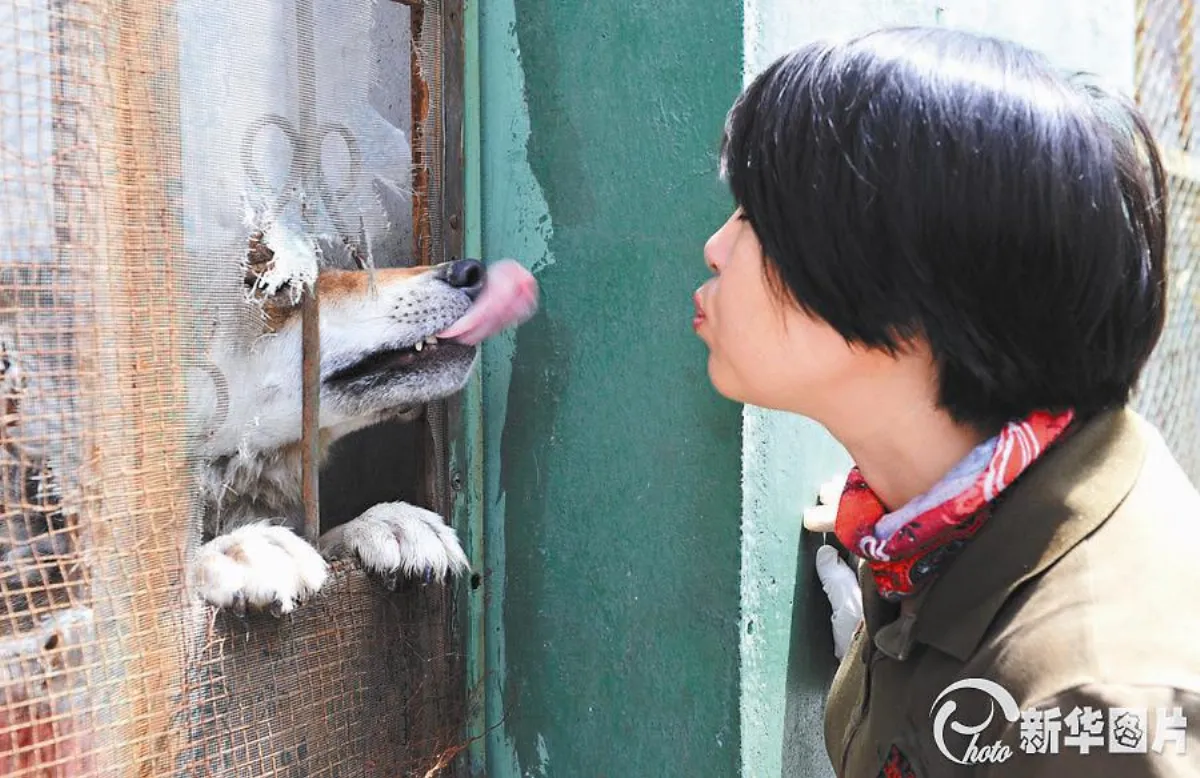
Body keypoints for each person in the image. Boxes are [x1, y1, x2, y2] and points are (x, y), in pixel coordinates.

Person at [691, 25, 1200, 777]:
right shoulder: (946, 511)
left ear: (910, 298)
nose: (717, 245)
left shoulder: (1082, 709)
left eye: (760, 220)